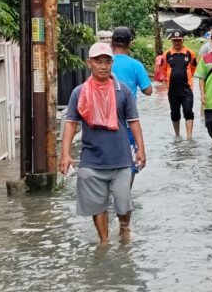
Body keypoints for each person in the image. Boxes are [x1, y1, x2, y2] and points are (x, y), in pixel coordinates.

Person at [59, 42, 147, 244]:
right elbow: (71, 123)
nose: (103, 66)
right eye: (98, 62)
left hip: (121, 158)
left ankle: (124, 229)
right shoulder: (79, 92)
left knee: (123, 201)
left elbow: (134, 122)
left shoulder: (122, 91)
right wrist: (65, 154)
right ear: (89, 63)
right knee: (97, 204)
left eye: (107, 61)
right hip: (91, 159)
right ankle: (104, 241)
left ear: (112, 64)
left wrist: (141, 149)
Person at [110, 26, 152, 185]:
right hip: (128, 121)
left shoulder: (103, 63)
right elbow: (148, 91)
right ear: (130, 44)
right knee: (130, 162)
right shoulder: (136, 65)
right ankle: (126, 192)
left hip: (104, 120)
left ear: (112, 43)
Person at [160, 30, 198, 140]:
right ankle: (177, 135)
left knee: (188, 112)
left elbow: (193, 68)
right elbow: (163, 70)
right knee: (175, 113)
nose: (177, 42)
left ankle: (189, 137)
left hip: (187, 89)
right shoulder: (166, 54)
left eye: (179, 40)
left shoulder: (190, 53)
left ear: (183, 40)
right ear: (172, 41)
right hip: (172, 90)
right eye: (175, 40)